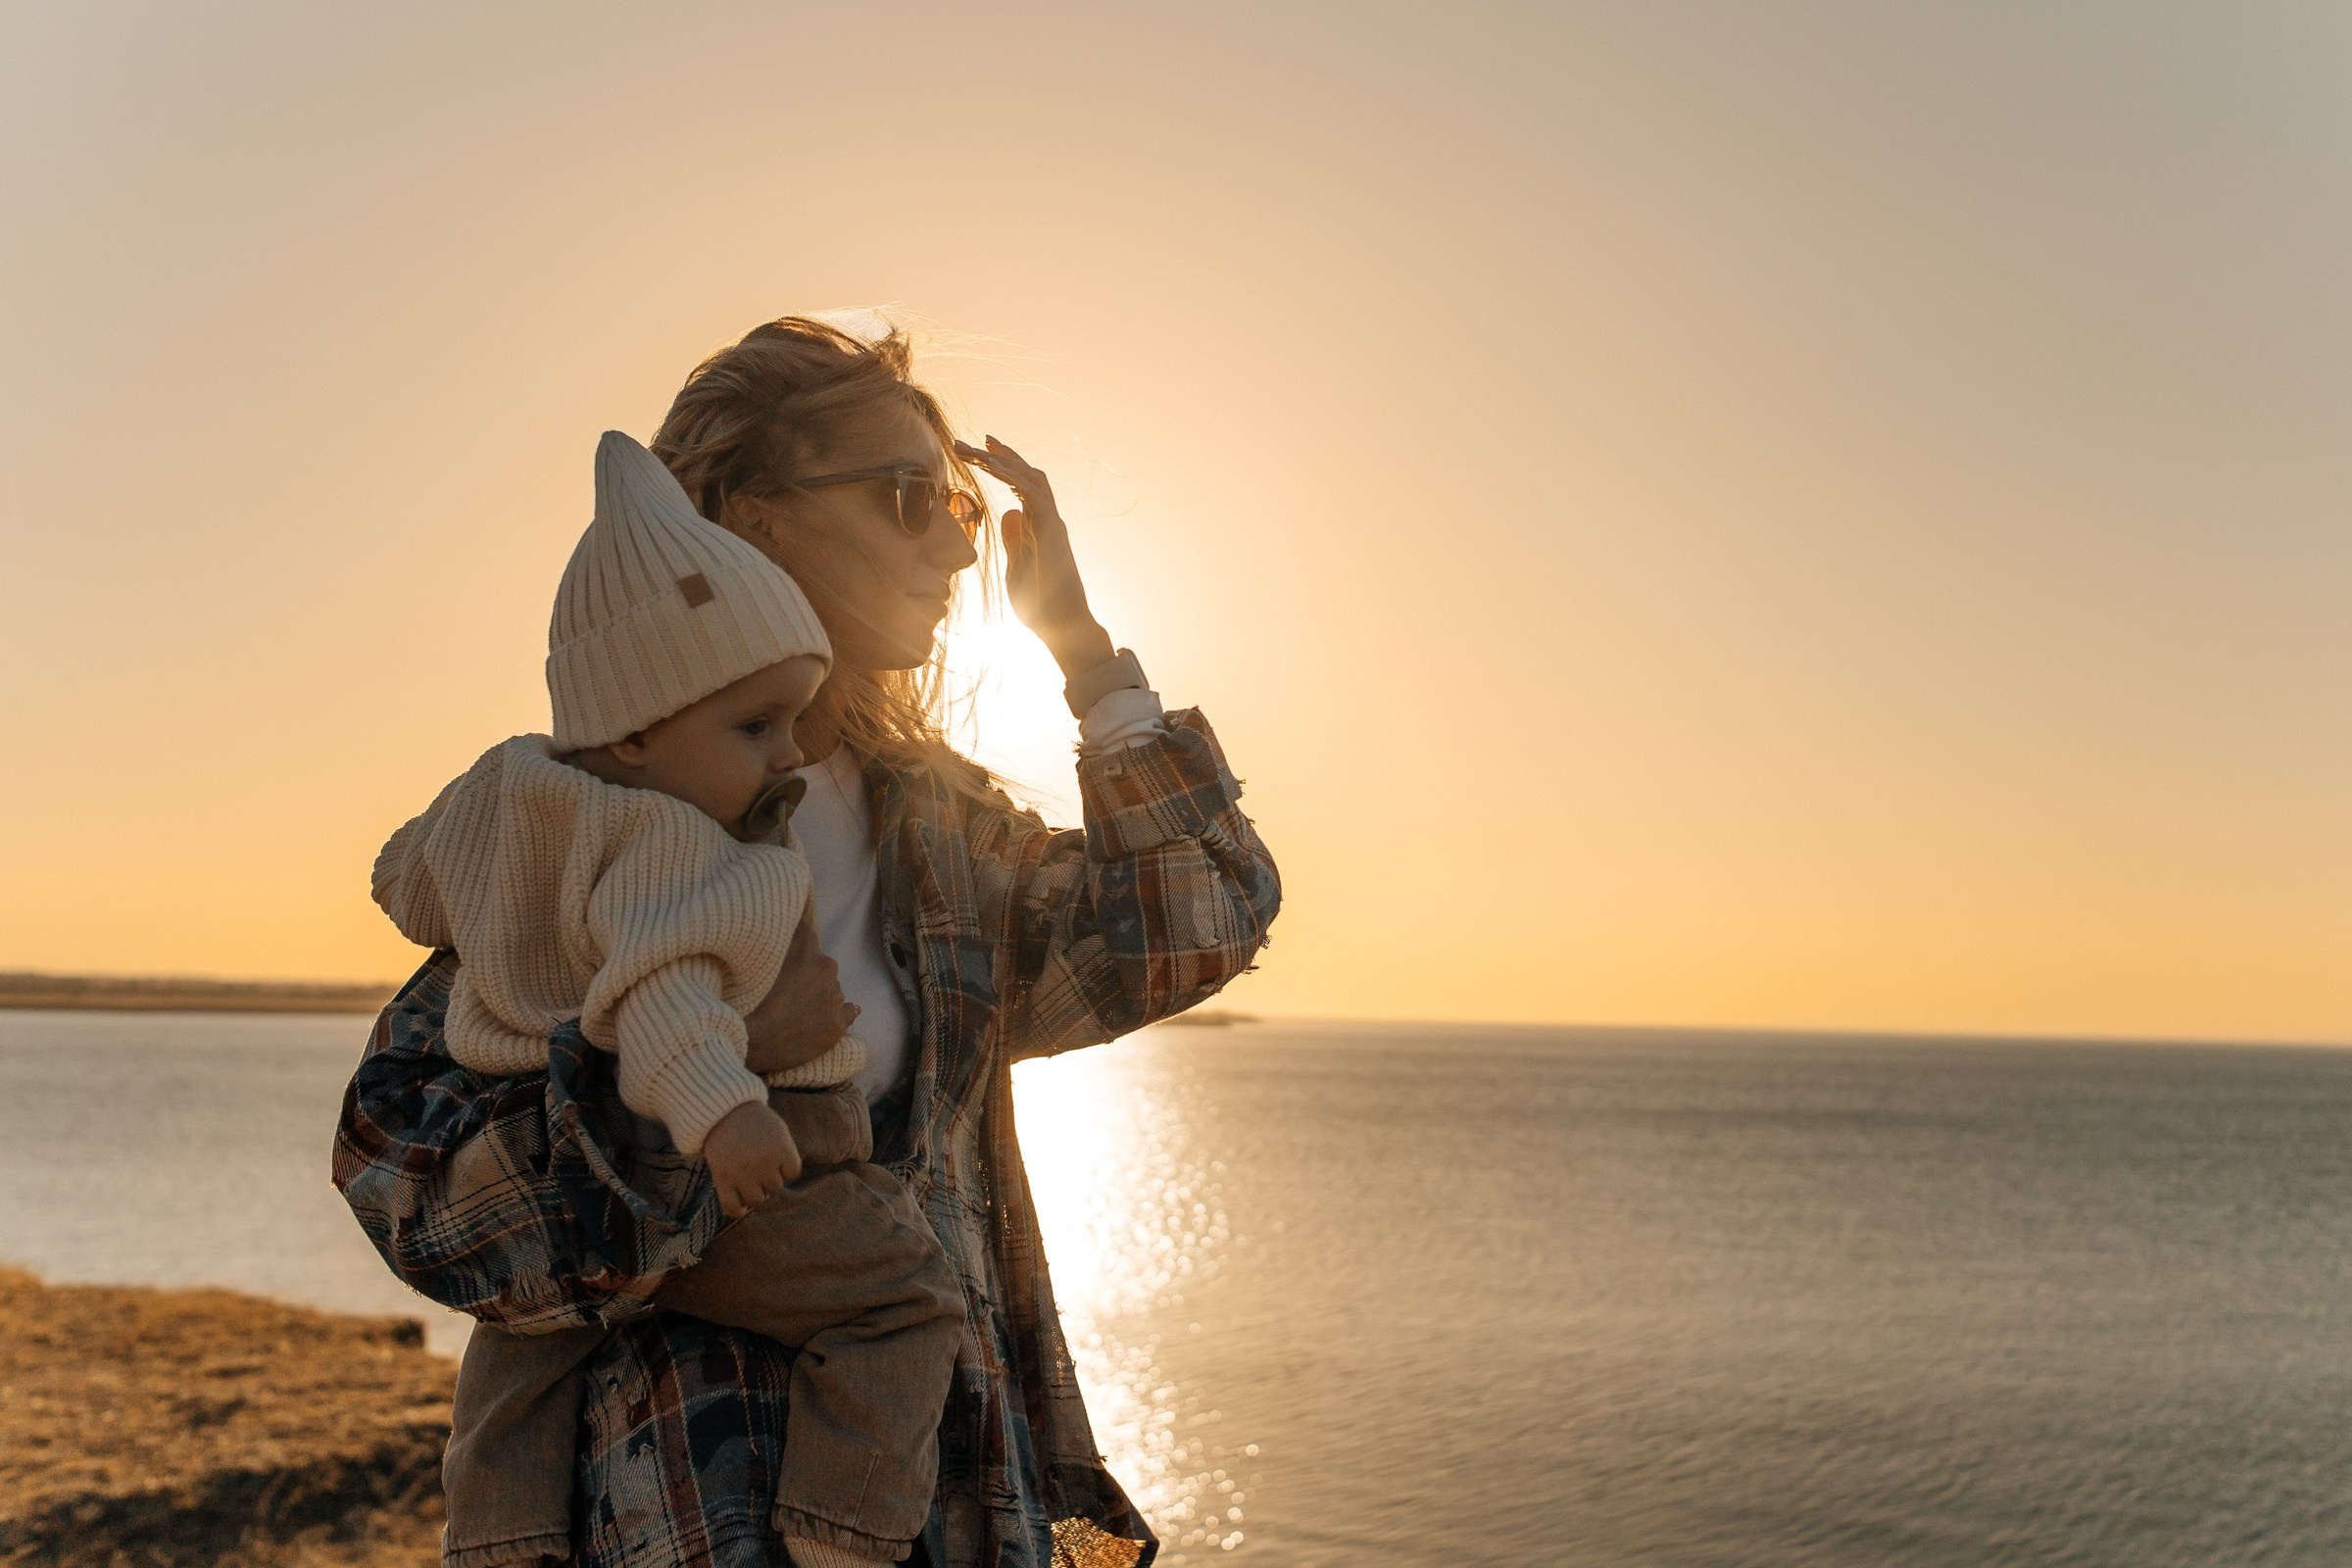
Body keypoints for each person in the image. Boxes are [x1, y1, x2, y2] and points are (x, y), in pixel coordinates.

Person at [335, 316, 1282, 1568]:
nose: (957, 545)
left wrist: (1084, 652)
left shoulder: (943, 840)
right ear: (755, 517)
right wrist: (673, 1095)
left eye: (954, 503)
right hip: (681, 1512)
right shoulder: (586, 807)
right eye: (905, 497)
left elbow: (1195, 922)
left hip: (938, 1512)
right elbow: (402, 1177)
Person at [373, 429, 965, 1568]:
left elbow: (407, 877)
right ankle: (844, 1527)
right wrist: (726, 1110)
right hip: (745, 1182)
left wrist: (465, 897)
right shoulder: (677, 844)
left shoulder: (507, 802)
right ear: (637, 728)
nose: (784, 757)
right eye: (755, 726)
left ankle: (500, 1538)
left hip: (571, 1196)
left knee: (519, 1358)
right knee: (905, 1299)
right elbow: (662, 999)